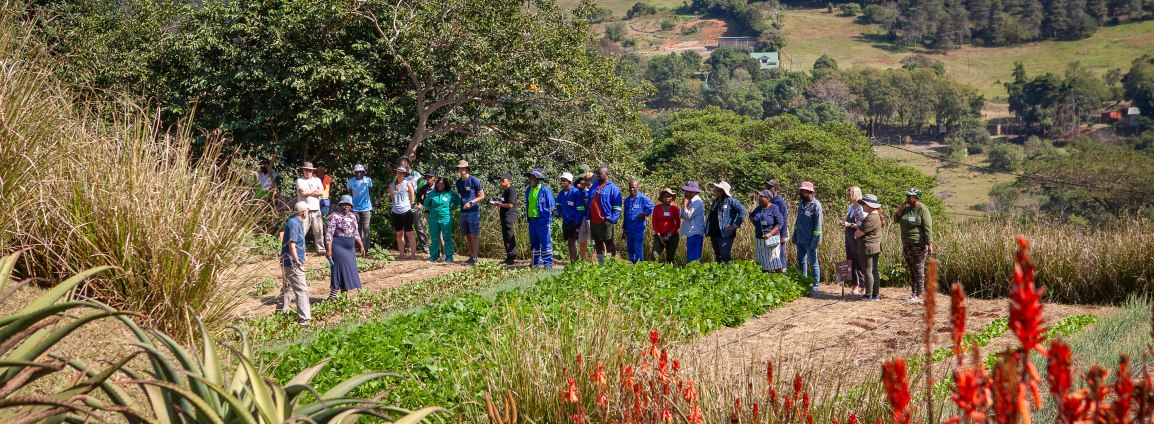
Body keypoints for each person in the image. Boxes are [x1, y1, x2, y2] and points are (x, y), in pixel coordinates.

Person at [896, 187, 934, 303]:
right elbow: (896, 220)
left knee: (918, 269)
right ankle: (913, 292)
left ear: (915, 197)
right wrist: (900, 210)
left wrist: (930, 244)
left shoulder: (923, 209)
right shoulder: (906, 209)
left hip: (918, 244)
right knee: (911, 268)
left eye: (909, 197)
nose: (907, 198)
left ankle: (920, 294)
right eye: (907, 196)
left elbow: (927, 228)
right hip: (906, 243)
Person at [277, 201, 312, 327]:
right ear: (303, 212)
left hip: (289, 261)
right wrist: (298, 262)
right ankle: (304, 321)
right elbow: (292, 244)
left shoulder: (296, 222)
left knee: (288, 288)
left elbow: (297, 244)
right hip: (292, 263)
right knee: (302, 290)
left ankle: (280, 314)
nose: (308, 212)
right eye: (307, 210)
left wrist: (304, 256)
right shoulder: (294, 223)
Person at [325, 195, 365, 300]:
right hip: (338, 246)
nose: (346, 206)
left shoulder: (352, 216)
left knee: (348, 271)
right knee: (338, 269)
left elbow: (355, 232)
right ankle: (332, 296)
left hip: (350, 248)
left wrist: (361, 245)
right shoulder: (334, 217)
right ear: (340, 205)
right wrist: (329, 250)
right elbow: (329, 234)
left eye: (348, 205)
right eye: (344, 204)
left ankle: (344, 296)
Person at [586, 167, 623, 263]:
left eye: (600, 173)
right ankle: (601, 263)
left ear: (607, 174)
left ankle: (612, 263)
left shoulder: (613, 188)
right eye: (597, 173)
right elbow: (589, 198)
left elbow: (618, 205)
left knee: (609, 242)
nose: (598, 175)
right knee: (598, 242)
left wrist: (612, 219)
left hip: (606, 220)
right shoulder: (594, 185)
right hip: (594, 220)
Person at [793, 181, 823, 293]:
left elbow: (818, 225)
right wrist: (794, 234)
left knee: (813, 262)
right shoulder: (801, 203)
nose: (800, 193)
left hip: (810, 241)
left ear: (809, 192)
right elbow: (798, 220)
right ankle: (804, 281)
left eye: (802, 191)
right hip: (800, 238)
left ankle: (816, 284)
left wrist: (815, 241)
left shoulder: (816, 206)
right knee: (801, 261)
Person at [837, 187, 867, 295]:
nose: (848, 196)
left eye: (850, 194)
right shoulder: (850, 207)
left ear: (856, 194)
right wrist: (843, 223)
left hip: (857, 237)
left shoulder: (862, 207)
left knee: (859, 261)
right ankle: (855, 286)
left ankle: (864, 286)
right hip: (848, 236)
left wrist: (849, 224)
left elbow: (863, 225)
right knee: (850, 261)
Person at [707, 181, 746, 264]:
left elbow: (743, 212)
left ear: (723, 191)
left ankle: (733, 273)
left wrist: (735, 225)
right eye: (715, 190)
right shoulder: (715, 201)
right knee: (718, 256)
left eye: (718, 190)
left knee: (725, 255)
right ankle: (721, 274)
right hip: (714, 233)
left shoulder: (732, 201)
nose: (715, 192)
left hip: (725, 233)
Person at [524, 167, 556, 268]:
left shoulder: (545, 191)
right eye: (530, 177)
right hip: (532, 221)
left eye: (533, 177)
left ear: (538, 179)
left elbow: (551, 206)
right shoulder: (528, 190)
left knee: (545, 243)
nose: (531, 180)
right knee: (534, 243)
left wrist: (548, 219)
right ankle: (535, 263)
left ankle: (548, 264)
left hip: (543, 221)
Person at [423, 174, 459, 262]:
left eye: (442, 184)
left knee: (447, 237)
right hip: (433, 218)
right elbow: (426, 202)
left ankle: (449, 257)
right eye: (438, 184)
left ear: (445, 185)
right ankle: (433, 257)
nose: (440, 186)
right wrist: (430, 209)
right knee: (435, 238)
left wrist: (451, 208)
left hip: (446, 218)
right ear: (436, 184)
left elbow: (457, 201)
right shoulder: (432, 194)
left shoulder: (450, 193)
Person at [855, 194, 884, 301]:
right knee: (874, 271)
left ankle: (868, 295)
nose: (862, 206)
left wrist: (856, 231)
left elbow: (859, 233)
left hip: (867, 247)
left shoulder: (871, 217)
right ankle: (875, 294)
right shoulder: (876, 215)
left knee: (867, 271)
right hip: (875, 246)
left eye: (863, 203)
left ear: (869, 205)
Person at [455, 160, 486, 265]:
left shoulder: (474, 180)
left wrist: (471, 202)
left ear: (467, 169)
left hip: (473, 211)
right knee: (467, 234)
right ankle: (471, 256)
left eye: (463, 168)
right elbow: (462, 194)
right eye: (460, 168)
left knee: (474, 234)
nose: (461, 170)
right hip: (463, 211)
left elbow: (482, 196)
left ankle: (475, 257)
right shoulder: (458, 182)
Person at [750, 189, 785, 273]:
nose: (759, 198)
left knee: (774, 261)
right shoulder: (758, 208)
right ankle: (765, 281)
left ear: (768, 199)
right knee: (762, 261)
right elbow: (751, 216)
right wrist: (757, 226)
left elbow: (780, 223)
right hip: (759, 239)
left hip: (771, 239)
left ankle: (781, 279)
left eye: (761, 197)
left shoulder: (774, 209)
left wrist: (770, 233)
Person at [296, 162, 326, 255]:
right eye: (306, 170)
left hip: (316, 209)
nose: (308, 172)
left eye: (310, 170)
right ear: (303, 170)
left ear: (312, 171)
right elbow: (303, 193)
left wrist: (309, 191)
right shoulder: (300, 180)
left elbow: (321, 192)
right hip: (304, 210)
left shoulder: (317, 180)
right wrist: (314, 189)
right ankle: (300, 250)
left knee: (319, 231)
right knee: (302, 231)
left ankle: (321, 250)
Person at [622, 179, 654, 264]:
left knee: (637, 247)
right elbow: (625, 215)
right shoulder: (627, 200)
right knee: (630, 248)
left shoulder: (642, 198)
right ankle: (634, 263)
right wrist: (624, 229)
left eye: (634, 187)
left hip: (638, 228)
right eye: (630, 187)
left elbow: (652, 207)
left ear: (638, 187)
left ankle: (640, 265)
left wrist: (644, 214)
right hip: (629, 228)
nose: (632, 189)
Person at [389, 166, 417, 258]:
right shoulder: (392, 185)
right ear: (396, 174)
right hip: (395, 211)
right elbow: (393, 199)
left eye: (401, 173)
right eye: (398, 173)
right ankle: (401, 254)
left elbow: (412, 197)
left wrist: (408, 205)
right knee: (399, 233)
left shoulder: (407, 184)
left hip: (406, 211)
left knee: (409, 233)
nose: (399, 174)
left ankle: (413, 254)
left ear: (404, 174)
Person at [491, 172, 518, 265]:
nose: (501, 181)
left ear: (509, 181)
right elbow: (504, 202)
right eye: (500, 180)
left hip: (509, 217)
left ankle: (512, 256)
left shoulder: (511, 191)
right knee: (505, 237)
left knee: (510, 236)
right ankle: (508, 256)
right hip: (504, 217)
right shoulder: (505, 191)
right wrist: (497, 201)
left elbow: (510, 204)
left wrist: (499, 204)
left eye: (503, 180)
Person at [556, 172, 584, 263]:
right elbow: (558, 204)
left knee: (572, 241)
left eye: (564, 181)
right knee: (570, 242)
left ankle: (575, 261)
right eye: (561, 181)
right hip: (566, 221)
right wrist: (560, 213)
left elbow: (580, 208)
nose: (562, 183)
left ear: (569, 182)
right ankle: (574, 260)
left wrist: (577, 222)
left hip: (574, 221)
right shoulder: (561, 193)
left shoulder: (576, 193)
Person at [651, 188, 681, 264]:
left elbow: (677, 224)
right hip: (659, 235)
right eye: (665, 196)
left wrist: (669, 235)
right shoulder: (657, 208)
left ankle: (671, 273)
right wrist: (659, 236)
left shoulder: (675, 209)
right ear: (662, 198)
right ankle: (653, 272)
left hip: (672, 235)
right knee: (654, 254)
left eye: (669, 196)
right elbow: (654, 223)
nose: (667, 198)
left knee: (670, 258)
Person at [347, 164, 373, 250]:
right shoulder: (350, 181)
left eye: (360, 172)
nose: (359, 174)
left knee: (366, 227)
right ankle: (360, 246)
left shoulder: (368, 180)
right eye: (357, 172)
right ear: (354, 173)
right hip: (355, 208)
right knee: (357, 228)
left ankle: (367, 247)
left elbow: (370, 190)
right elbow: (350, 192)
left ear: (363, 172)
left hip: (366, 208)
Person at [679, 181, 706, 263]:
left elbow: (687, 215)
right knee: (691, 256)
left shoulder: (698, 202)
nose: (685, 193)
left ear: (693, 192)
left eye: (687, 191)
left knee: (694, 258)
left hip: (695, 233)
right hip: (690, 233)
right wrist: (685, 206)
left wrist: (684, 205)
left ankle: (695, 274)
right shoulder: (690, 202)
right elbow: (681, 214)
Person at [413, 167, 436, 256]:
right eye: (427, 177)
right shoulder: (425, 188)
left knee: (439, 232)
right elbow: (418, 195)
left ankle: (443, 250)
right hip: (428, 212)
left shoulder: (439, 186)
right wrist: (423, 203)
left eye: (430, 177)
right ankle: (436, 251)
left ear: (434, 178)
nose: (428, 179)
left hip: (438, 212)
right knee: (433, 231)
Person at [766, 179, 789, 266]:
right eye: (767, 187)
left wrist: (783, 235)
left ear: (776, 189)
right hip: (770, 232)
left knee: (779, 255)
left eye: (770, 188)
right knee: (770, 256)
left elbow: (784, 219)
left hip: (779, 233)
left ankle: (783, 275)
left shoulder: (780, 202)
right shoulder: (767, 200)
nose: (768, 189)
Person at [575, 176, 593, 261]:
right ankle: (583, 259)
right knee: (582, 239)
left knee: (594, 240)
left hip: (591, 217)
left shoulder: (593, 186)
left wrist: (584, 189)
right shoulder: (579, 190)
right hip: (582, 216)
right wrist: (582, 189)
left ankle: (597, 260)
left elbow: (587, 198)